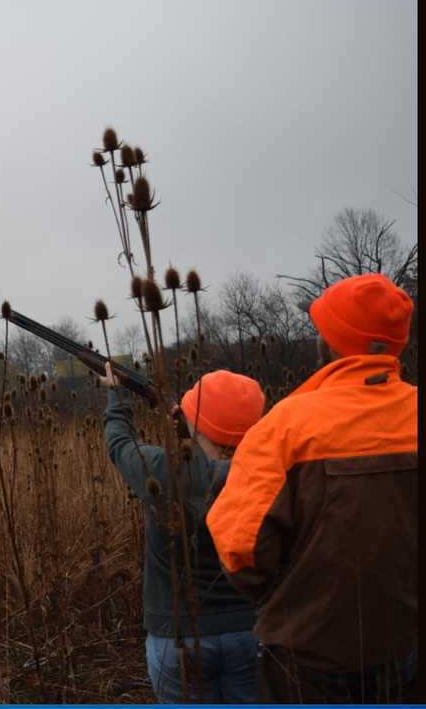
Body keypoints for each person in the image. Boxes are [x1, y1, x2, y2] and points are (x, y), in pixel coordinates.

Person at [208, 273, 418, 704]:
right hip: (406, 650)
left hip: (305, 663)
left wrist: (285, 602)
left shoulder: (283, 427)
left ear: (328, 341)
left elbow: (239, 549)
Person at [104, 363, 265, 704]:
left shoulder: (163, 470)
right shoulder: (269, 473)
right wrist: (194, 430)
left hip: (176, 639)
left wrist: (118, 398)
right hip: (251, 633)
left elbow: (121, 444)